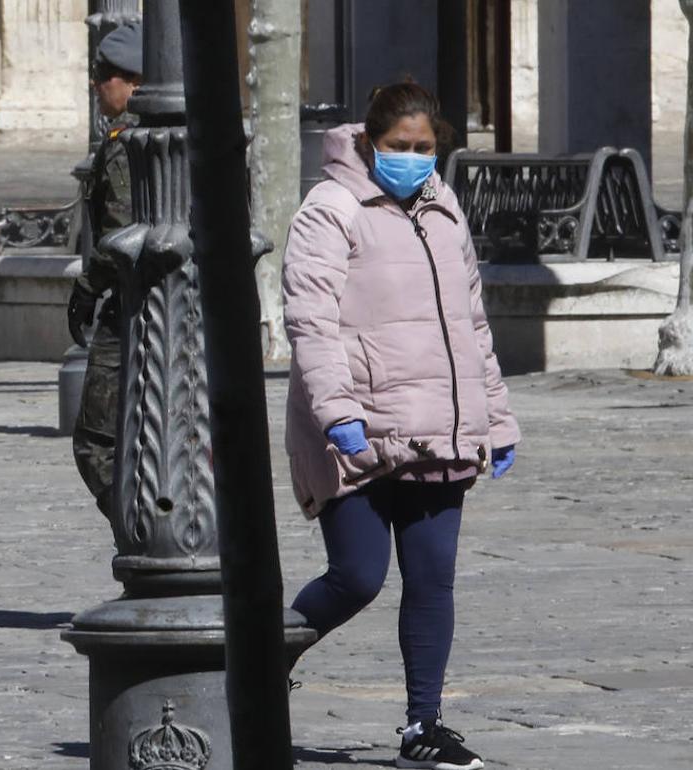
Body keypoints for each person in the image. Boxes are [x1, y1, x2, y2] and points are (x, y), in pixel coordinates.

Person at [281, 82, 520, 770]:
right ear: (369, 143)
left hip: (439, 429)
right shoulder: (330, 209)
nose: (413, 159)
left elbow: (471, 324)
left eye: (424, 148)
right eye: (399, 147)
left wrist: (495, 419)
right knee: (357, 577)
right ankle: (256, 659)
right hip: (355, 428)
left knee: (432, 579)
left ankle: (424, 725)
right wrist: (338, 414)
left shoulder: (444, 209)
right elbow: (311, 320)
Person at [68, 20, 141, 517]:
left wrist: (88, 288)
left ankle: (138, 533)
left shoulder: (128, 146)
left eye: (108, 75)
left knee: (97, 441)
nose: (99, 84)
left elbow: (121, 237)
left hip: (131, 307)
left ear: (136, 83)